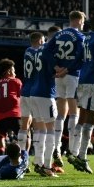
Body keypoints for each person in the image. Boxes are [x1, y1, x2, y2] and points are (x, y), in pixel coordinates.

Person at [43, 11, 85, 170]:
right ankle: (72, 150)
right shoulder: (80, 37)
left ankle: (56, 147)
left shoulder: (59, 34)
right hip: (71, 75)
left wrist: (56, 67)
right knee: (74, 113)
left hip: (57, 76)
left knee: (60, 114)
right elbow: (80, 57)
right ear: (80, 20)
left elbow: (46, 51)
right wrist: (66, 69)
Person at [68, 15, 94, 174]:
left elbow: (78, 58)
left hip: (82, 80)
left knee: (82, 117)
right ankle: (82, 156)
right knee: (90, 119)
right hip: (93, 81)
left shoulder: (84, 38)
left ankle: (73, 151)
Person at [28, 27, 63, 177]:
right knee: (51, 131)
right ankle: (47, 167)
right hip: (45, 93)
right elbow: (56, 71)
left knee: (40, 131)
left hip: (34, 93)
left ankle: (38, 162)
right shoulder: (49, 51)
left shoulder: (35, 50)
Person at [18, 32, 45, 162]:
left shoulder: (27, 51)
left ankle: (21, 157)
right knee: (38, 125)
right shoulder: (39, 52)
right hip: (35, 91)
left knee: (24, 125)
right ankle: (38, 159)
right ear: (40, 40)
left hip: (24, 91)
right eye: (43, 40)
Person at [0, 59, 22, 155]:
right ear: (9, 71)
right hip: (15, 114)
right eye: (13, 71)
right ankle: (24, 158)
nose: (15, 73)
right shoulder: (16, 81)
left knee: (0, 136)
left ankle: (0, 157)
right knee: (23, 135)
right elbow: (23, 97)